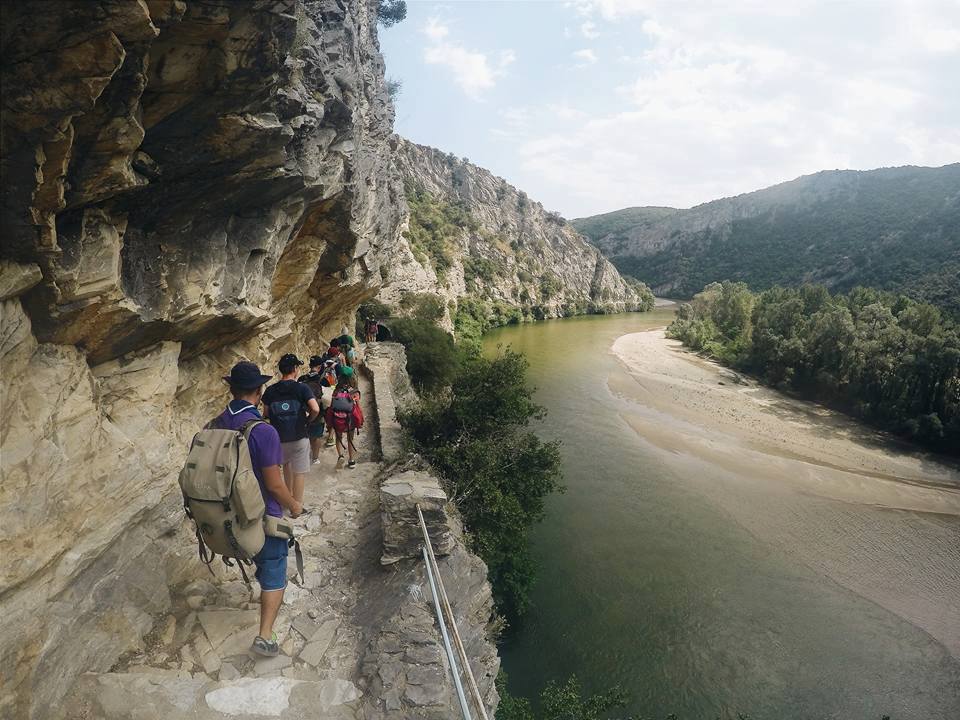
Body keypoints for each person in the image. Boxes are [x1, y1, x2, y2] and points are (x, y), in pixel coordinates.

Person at [214, 361, 303, 657]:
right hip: (260, 515)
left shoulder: (214, 424)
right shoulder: (264, 432)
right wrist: (294, 505)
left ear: (232, 389)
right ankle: (265, 636)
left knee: (260, 558)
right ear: (259, 390)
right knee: (275, 569)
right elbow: (275, 485)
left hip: (225, 515)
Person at [262, 354, 319, 505]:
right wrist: (308, 420)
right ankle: (297, 505)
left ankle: (289, 498)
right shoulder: (302, 388)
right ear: (295, 369)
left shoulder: (270, 391)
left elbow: (266, 414)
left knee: (286, 465)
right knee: (299, 472)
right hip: (299, 435)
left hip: (278, 438)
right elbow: (315, 409)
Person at [325, 365, 362, 468]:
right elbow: (358, 407)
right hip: (349, 420)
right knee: (350, 439)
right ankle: (351, 460)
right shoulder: (354, 392)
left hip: (337, 419)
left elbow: (332, 406)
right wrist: (361, 419)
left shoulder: (336, 391)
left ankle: (340, 456)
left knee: (338, 437)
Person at [299, 356, 327, 465]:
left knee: (305, 436)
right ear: (320, 367)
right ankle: (315, 458)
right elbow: (327, 397)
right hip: (318, 413)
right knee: (316, 437)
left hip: (303, 412)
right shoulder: (323, 380)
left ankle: (305, 457)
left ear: (310, 366)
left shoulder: (301, 379)